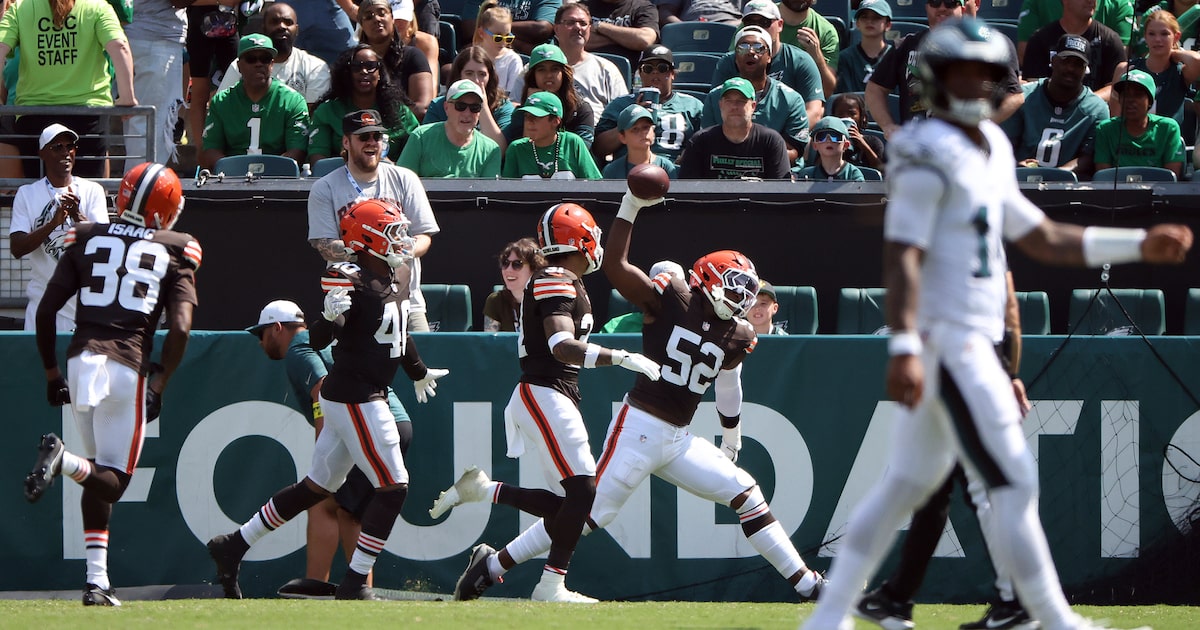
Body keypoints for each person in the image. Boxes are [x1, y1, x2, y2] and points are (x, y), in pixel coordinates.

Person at [800, 18, 1193, 630]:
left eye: (984, 75)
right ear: (935, 77)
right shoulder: (925, 147)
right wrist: (904, 343)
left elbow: (1043, 236)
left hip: (971, 338)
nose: (972, 86)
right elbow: (902, 253)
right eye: (961, 72)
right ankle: (1055, 621)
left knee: (904, 484)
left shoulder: (990, 146)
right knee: (1010, 481)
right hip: (946, 337)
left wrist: (1137, 243)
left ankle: (826, 619)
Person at [436, 193, 831, 604]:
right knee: (587, 515)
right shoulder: (675, 298)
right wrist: (631, 206)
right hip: (639, 426)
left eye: (749, 291)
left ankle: (808, 585)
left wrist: (732, 437)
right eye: (738, 287)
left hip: (679, 437)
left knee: (747, 493)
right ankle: (496, 564)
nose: (744, 298)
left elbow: (730, 385)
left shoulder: (739, 334)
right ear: (710, 278)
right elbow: (617, 267)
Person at [207, 198, 450, 601]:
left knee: (317, 486)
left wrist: (418, 370)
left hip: (362, 395)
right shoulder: (347, 278)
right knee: (394, 487)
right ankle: (354, 583)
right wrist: (327, 315)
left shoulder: (401, 273)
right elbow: (318, 340)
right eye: (393, 232)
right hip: (356, 397)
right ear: (368, 238)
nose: (402, 240)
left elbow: (399, 333)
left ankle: (233, 544)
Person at [433, 203, 661, 603]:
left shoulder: (562, 278)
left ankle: (486, 493)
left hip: (554, 393)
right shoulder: (555, 277)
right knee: (584, 493)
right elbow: (561, 346)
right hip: (543, 390)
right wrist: (621, 357)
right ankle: (550, 585)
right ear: (580, 239)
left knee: (574, 501)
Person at [25, 163, 199, 607]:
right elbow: (180, 328)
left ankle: (96, 581)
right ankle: (62, 461)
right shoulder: (177, 251)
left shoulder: (85, 238)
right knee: (115, 480)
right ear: (165, 212)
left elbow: (46, 313)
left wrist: (50, 373)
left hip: (81, 361)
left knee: (98, 474)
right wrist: (161, 380)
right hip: (126, 366)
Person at [855, 273, 1034, 630]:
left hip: (959, 368)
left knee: (984, 489)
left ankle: (1017, 603)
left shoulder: (940, 230)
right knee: (930, 488)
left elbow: (907, 284)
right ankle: (895, 598)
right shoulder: (986, 234)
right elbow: (1009, 305)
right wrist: (1011, 372)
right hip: (974, 367)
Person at [246, 299, 414, 595]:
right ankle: (335, 589)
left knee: (337, 506)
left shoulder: (299, 346)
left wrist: (323, 453)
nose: (260, 343)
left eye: (261, 334)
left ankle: (348, 590)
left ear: (276, 328)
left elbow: (323, 390)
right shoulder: (319, 341)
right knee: (338, 508)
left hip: (370, 423)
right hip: (389, 422)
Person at [307, 109, 440, 332]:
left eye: (377, 136)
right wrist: (378, 246)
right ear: (346, 142)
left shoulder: (405, 178)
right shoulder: (325, 187)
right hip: (349, 302)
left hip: (406, 301)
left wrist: (406, 249)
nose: (372, 142)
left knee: (418, 361)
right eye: (364, 137)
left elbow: (424, 237)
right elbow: (324, 246)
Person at [0, 0, 136, 178]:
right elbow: (120, 47)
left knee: (40, 197)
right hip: (88, 118)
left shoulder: (21, 7)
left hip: (34, 117)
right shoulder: (97, 6)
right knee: (89, 196)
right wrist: (127, 97)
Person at [9, 125, 109, 332]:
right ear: (42, 154)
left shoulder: (93, 190)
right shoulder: (26, 194)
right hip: (43, 306)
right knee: (39, 365)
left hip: (84, 308)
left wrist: (77, 215)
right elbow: (17, 248)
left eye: (69, 146)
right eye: (56, 147)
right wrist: (53, 223)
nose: (65, 152)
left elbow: (104, 245)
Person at [701, 26, 810, 165]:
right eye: (743, 47)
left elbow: (793, 150)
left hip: (776, 176)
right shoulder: (715, 97)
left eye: (758, 47)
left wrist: (748, 160)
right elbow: (707, 144)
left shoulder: (791, 99)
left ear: (769, 57)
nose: (751, 52)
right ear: (735, 58)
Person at [200, 34, 311, 170]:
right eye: (251, 59)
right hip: (232, 180)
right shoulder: (221, 101)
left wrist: (266, 174)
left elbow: (297, 152)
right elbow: (211, 151)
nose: (259, 64)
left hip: (277, 180)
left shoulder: (293, 100)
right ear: (239, 66)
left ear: (271, 64)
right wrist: (237, 171)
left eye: (265, 59)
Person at [1002, 34, 1109, 176]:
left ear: (1086, 69)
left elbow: (1088, 158)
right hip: (1019, 181)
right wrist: (1016, 164)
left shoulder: (1096, 109)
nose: (1070, 68)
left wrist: (1056, 176)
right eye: (1065, 61)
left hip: (1068, 190)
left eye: (1078, 64)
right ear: (1053, 61)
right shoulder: (1023, 98)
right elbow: (1004, 143)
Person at [308, 44, 421, 164]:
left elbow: (416, 154)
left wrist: (391, 170)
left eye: (371, 66)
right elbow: (318, 159)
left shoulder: (399, 111)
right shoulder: (327, 111)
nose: (364, 71)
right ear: (347, 73)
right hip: (341, 178)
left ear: (379, 73)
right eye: (356, 67)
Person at [593, 44, 704, 163]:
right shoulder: (621, 104)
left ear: (673, 74)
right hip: (630, 171)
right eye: (648, 68)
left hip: (675, 171)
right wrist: (630, 119)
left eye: (662, 68)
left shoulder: (692, 106)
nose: (655, 73)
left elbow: (706, 144)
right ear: (640, 74)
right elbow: (599, 148)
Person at [712, 9, 825, 125]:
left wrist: (779, 139)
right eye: (750, 23)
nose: (750, 52)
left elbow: (815, 111)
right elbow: (714, 114)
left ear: (780, 24)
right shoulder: (726, 63)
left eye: (764, 22)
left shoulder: (798, 67)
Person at [217, 2, 332, 112]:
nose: (282, 26)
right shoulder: (245, 63)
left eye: (288, 22)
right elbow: (222, 106)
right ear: (264, 29)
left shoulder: (315, 67)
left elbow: (312, 114)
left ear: (296, 30)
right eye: (274, 22)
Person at [1107, 10, 1200, 136]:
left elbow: (1197, 61)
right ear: (1145, 37)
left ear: (1176, 37)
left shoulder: (1180, 72)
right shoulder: (1126, 69)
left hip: (1169, 143)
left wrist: (1174, 53)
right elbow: (1115, 118)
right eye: (1151, 34)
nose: (1157, 39)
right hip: (1132, 143)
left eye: (1164, 34)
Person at [679, 78, 791, 179]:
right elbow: (688, 190)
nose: (734, 107)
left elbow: (781, 191)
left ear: (753, 106)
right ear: (720, 105)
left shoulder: (771, 141)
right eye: (728, 101)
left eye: (741, 101)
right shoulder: (700, 141)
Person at [122, 0, 187, 167]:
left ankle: (135, 188)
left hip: (129, 36)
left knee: (137, 124)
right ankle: (141, 191)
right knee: (151, 129)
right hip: (154, 39)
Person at [397, 79, 502, 177]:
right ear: (446, 108)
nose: (467, 113)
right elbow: (401, 182)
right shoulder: (421, 137)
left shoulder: (491, 150)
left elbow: (489, 194)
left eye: (474, 108)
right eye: (460, 106)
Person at [1092, 69, 1186, 178]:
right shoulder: (1105, 129)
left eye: (1138, 95)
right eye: (1125, 94)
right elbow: (1104, 179)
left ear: (1150, 101)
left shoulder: (1168, 128)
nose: (1130, 100)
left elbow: (1171, 178)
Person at [420, 46, 515, 151]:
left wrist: (482, 106)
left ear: (490, 76)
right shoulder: (439, 105)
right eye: (469, 73)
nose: (476, 80)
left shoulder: (503, 107)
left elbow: (499, 151)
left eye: (482, 74)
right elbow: (426, 145)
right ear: (459, 75)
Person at [1021, 0, 1127, 93]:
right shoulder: (1040, 39)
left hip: (1092, 114)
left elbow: (1114, 88)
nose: (1091, 1)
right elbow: (1033, 84)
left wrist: (1087, 104)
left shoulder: (1110, 40)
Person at [506, 43, 596, 147]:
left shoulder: (581, 109)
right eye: (541, 70)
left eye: (554, 69)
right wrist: (532, 110)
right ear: (533, 75)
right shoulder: (521, 113)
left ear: (564, 73)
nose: (548, 75)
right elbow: (521, 151)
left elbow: (581, 151)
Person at [357, 0, 435, 120]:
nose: (377, 19)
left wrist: (383, 121)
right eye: (368, 17)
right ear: (361, 24)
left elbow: (422, 107)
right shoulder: (353, 61)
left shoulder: (413, 56)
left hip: (404, 131)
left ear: (392, 18)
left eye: (382, 14)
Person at [184, 0, 238, 166]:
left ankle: (235, 144)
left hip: (229, 21)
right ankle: (202, 150)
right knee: (200, 91)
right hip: (199, 21)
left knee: (236, 85)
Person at [553, 3, 629, 119]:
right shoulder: (538, 68)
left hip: (596, 134)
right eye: (570, 22)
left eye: (583, 23)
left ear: (589, 29)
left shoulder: (606, 68)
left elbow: (623, 113)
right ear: (556, 29)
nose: (578, 27)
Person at [502, 91, 602, 179]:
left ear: (555, 121)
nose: (529, 122)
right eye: (527, 117)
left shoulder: (572, 143)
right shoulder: (516, 148)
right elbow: (506, 194)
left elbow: (595, 186)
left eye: (536, 117)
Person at [1016, 0, 1133, 65]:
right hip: (1049, 102)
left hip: (1097, 103)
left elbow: (1117, 74)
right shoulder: (1039, 37)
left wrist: (1086, 102)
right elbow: (1025, 60)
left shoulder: (1111, 38)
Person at [774, 0, 840, 98]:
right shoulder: (757, 18)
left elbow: (826, 91)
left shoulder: (826, 31)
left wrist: (817, 57)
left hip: (804, 104)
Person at [598, 260, 685, 333]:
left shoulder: (696, 323)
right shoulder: (614, 327)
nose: (668, 298)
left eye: (676, 291)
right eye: (661, 291)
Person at [483, 237, 546, 332]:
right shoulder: (495, 301)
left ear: (534, 269)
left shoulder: (546, 300)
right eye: (505, 263)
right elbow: (489, 343)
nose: (508, 269)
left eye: (517, 264)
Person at [600, 104, 679, 179]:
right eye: (635, 129)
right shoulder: (612, 170)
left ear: (653, 132)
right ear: (622, 137)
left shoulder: (666, 167)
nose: (643, 133)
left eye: (646, 127)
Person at [835, 0, 894, 94]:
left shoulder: (896, 57)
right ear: (857, 23)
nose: (869, 21)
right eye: (864, 17)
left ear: (888, 25)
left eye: (876, 17)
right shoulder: (845, 58)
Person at [461, 0, 558, 55]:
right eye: (498, 36)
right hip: (487, 58)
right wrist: (523, 46)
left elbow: (541, 29)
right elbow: (470, 29)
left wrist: (494, 36)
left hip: (534, 62)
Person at [585, 0, 659, 70]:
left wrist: (599, 26)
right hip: (588, 69)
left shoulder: (643, 6)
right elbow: (578, 40)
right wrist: (627, 40)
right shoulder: (584, 7)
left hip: (628, 72)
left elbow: (645, 40)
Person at [473, 1, 525, 97]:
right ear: (481, 33)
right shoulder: (471, 56)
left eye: (508, 37)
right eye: (498, 37)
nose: (503, 42)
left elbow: (513, 97)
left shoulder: (513, 60)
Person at [795, 116, 865, 181]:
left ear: (846, 145)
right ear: (814, 145)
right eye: (821, 137)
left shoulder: (853, 174)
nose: (828, 140)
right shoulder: (806, 175)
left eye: (835, 136)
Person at [829, 93, 885, 172]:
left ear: (863, 117)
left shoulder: (873, 142)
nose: (846, 117)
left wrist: (863, 144)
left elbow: (881, 170)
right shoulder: (827, 140)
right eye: (840, 114)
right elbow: (818, 169)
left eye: (852, 114)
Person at [655, 0, 741, 24]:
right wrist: (684, 27)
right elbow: (664, 12)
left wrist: (738, 24)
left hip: (731, 24)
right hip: (690, 27)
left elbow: (753, 10)